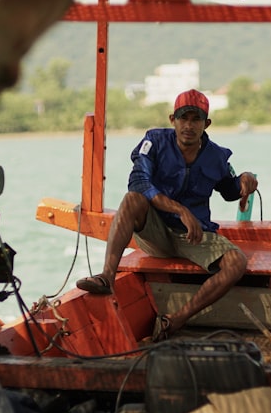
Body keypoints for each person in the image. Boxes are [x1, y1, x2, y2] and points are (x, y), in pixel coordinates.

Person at [74, 89, 258, 341]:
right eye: (184, 118)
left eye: (196, 120)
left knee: (236, 263)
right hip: (156, 232)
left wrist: (245, 181)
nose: (189, 126)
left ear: (207, 123)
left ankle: (176, 319)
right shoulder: (155, 142)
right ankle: (107, 277)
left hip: (195, 236)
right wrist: (179, 209)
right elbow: (138, 182)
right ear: (173, 119)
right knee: (132, 200)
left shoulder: (216, 155)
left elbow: (228, 190)